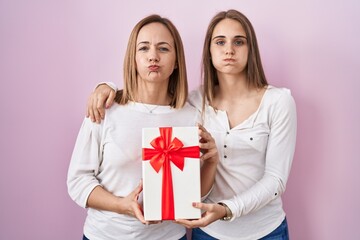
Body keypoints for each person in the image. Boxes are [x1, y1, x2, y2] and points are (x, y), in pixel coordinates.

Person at [86, 9, 297, 240]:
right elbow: (152, 101)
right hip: (208, 233)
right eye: (220, 42)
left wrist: (227, 209)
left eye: (239, 42)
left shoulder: (279, 101)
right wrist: (106, 87)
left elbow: (276, 179)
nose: (229, 50)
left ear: (251, 50)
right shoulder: (194, 103)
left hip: (266, 230)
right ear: (209, 51)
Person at [67, 14, 218, 240]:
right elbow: (78, 182)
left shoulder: (192, 116)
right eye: (144, 48)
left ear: (177, 61)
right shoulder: (105, 109)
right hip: (104, 235)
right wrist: (122, 205)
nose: (153, 56)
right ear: (133, 58)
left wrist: (210, 163)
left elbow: (196, 195)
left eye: (164, 49)